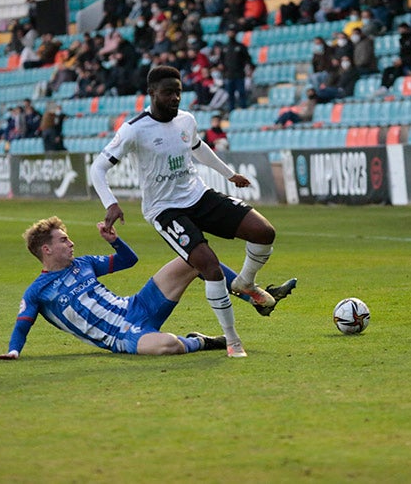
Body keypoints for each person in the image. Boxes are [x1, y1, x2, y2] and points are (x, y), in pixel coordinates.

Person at [90, 66, 286, 358]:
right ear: (152, 93)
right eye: (169, 92)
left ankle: (245, 282)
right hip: (165, 210)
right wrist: (111, 202)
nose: (175, 98)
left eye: (179, 92)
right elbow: (98, 167)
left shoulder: (187, 120)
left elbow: (198, 147)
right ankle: (232, 341)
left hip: (198, 195)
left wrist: (229, 174)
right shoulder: (134, 128)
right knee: (209, 266)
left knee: (264, 232)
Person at [0, 218, 295, 359]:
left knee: (193, 258)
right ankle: (203, 342)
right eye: (63, 240)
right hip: (122, 337)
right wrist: (13, 351)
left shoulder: (84, 264)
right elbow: (23, 324)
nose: (71, 243)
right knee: (165, 347)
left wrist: (113, 240)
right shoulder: (37, 291)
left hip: (137, 306)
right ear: (46, 250)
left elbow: (129, 260)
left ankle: (255, 295)